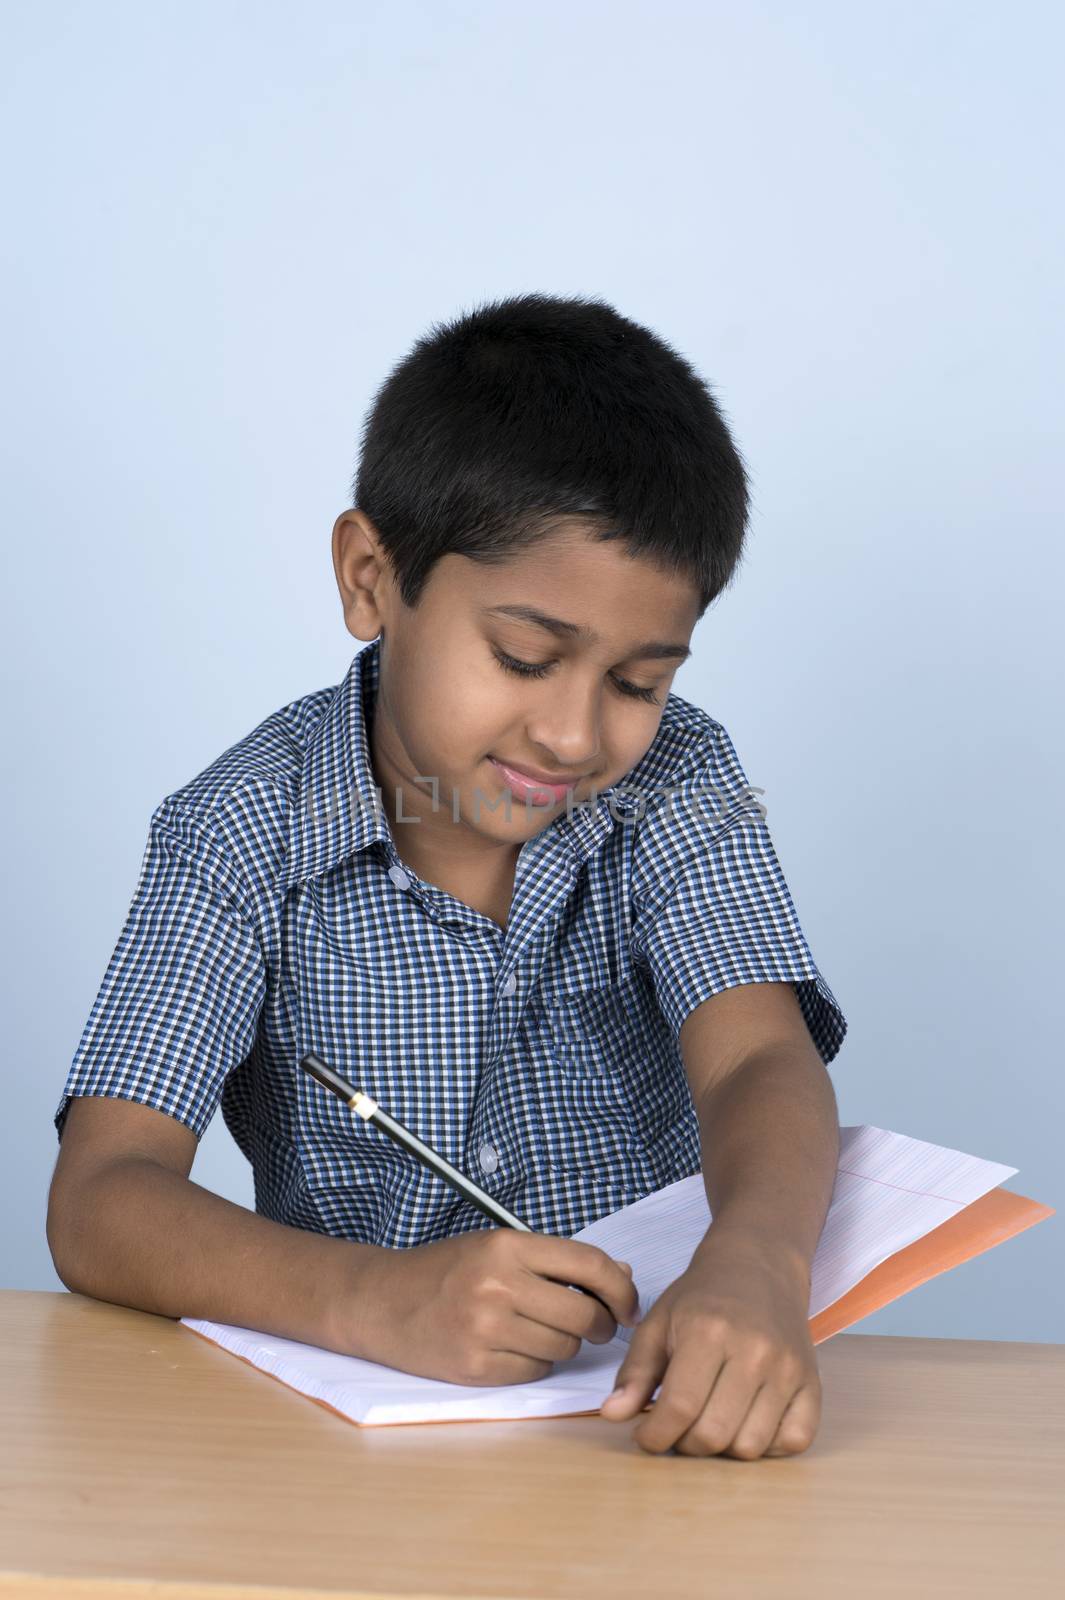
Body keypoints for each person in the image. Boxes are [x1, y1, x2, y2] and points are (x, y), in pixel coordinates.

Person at [47, 292, 846, 1460]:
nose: (576, 736)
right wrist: (377, 1298)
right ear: (372, 577)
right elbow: (101, 1196)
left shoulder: (676, 780)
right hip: (359, 1444)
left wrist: (760, 1256)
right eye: (525, 656)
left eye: (637, 681)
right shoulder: (234, 831)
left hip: (651, 1432)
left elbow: (759, 1056)